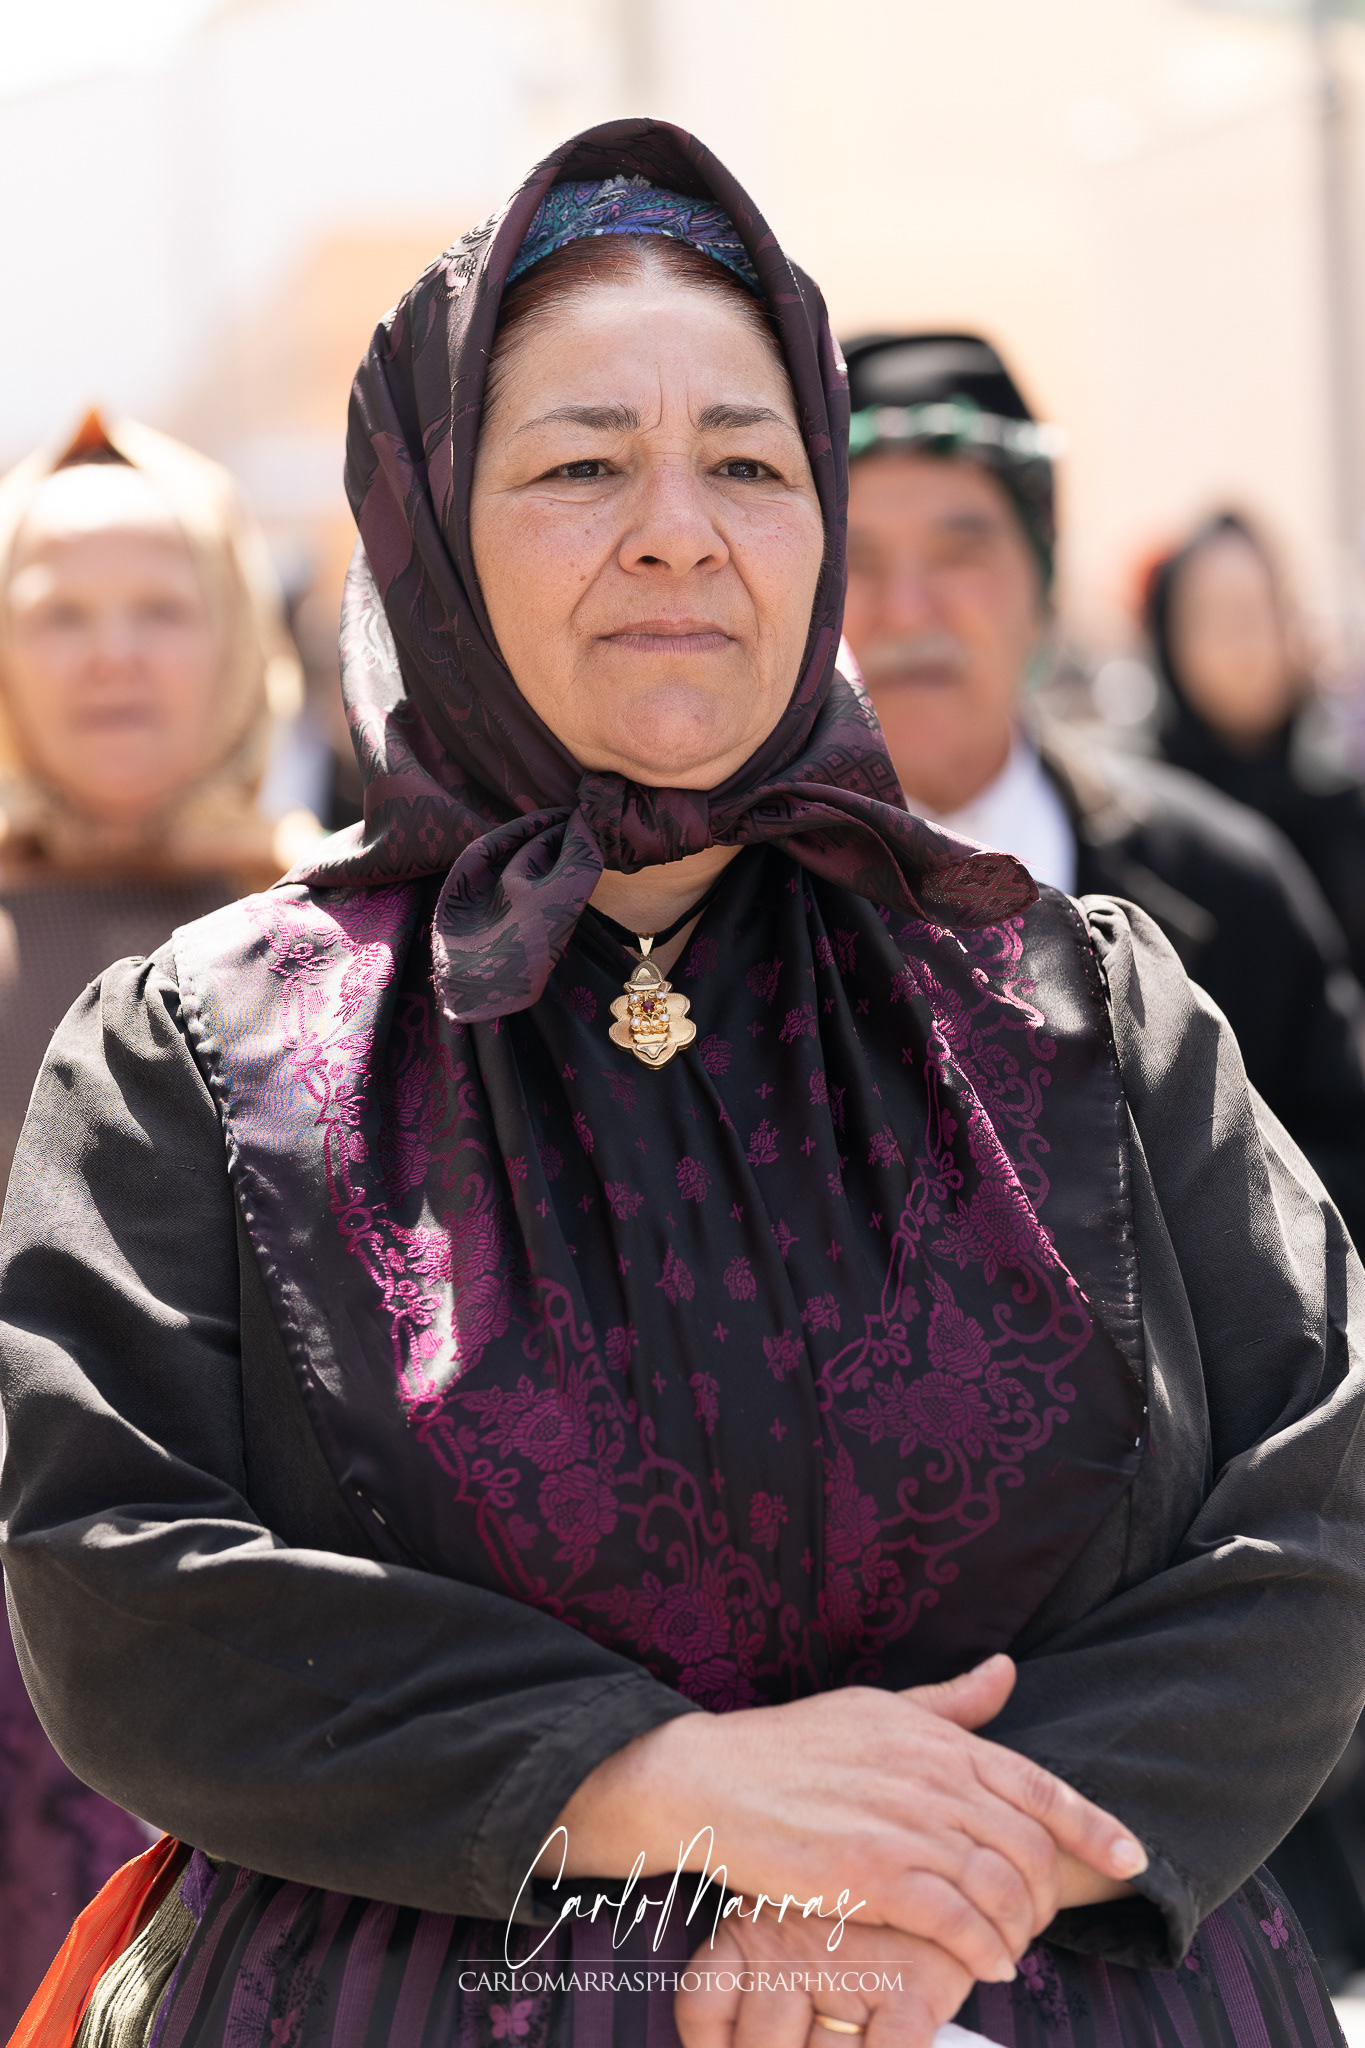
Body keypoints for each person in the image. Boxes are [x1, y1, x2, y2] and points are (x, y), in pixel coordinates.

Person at [1, 120, 1363, 2048]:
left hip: (1051, 1976)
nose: (677, 530)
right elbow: (111, 1567)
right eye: (581, 464)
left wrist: (958, 1875)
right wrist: (652, 1779)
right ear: (430, 523)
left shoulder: (1082, 1003)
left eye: (746, 460)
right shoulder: (203, 1052)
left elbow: (1326, 1493)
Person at [0, 408, 316, 2033]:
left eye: (160, 605)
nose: (112, 653)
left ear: (239, 634)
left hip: (312, 1677)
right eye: (60, 610)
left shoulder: (358, 937)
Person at [839, 331, 1365, 1262]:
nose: (907, 609)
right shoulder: (720, 908)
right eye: (858, 559)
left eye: (959, 549)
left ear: (1041, 579)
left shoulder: (1220, 882)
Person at [1145, 510, 1365, 987]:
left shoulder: (1342, 809)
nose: (1241, 640)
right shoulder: (1133, 818)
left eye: (1257, 611)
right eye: (1215, 614)